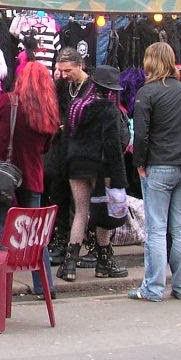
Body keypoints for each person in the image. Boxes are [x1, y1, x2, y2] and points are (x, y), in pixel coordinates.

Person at [0, 60, 61, 295]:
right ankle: (44, 286)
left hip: (3, 178)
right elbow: (45, 147)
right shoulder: (47, 111)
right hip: (32, 178)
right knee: (33, 235)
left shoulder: (7, 102)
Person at [129, 42, 181, 301]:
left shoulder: (146, 93)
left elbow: (141, 135)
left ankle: (153, 287)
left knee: (157, 230)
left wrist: (139, 163)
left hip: (158, 166)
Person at [53, 48, 129, 281]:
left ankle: (69, 265)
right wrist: (119, 178)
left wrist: (65, 166)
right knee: (102, 213)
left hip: (76, 165)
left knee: (81, 213)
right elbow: (113, 147)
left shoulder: (77, 106)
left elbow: (67, 138)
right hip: (99, 167)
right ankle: (104, 262)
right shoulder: (108, 109)